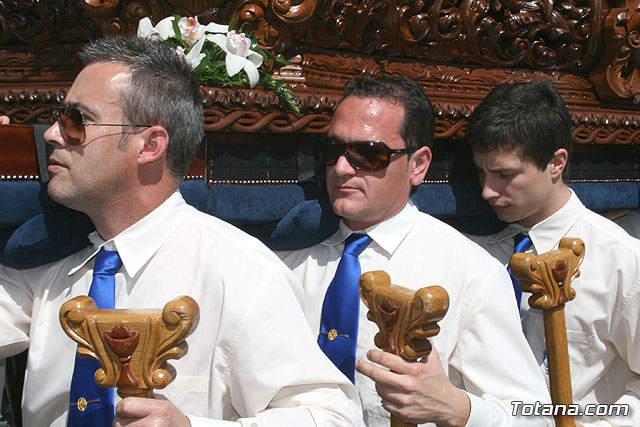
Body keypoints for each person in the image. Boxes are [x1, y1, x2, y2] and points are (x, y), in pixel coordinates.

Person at [0, 36, 365, 427]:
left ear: (150, 145)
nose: (52, 134)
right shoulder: (43, 259)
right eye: (58, 117)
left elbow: (333, 417)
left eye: (76, 121)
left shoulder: (240, 274)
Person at [278, 76, 551, 427]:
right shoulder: (285, 261)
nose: (342, 168)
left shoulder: (472, 274)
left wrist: (457, 408)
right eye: (332, 150)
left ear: (418, 165)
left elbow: (534, 417)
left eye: (368, 153)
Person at [467, 79, 640, 426]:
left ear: (556, 163)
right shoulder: (473, 255)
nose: (487, 190)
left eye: (503, 174)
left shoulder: (622, 261)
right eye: (481, 173)